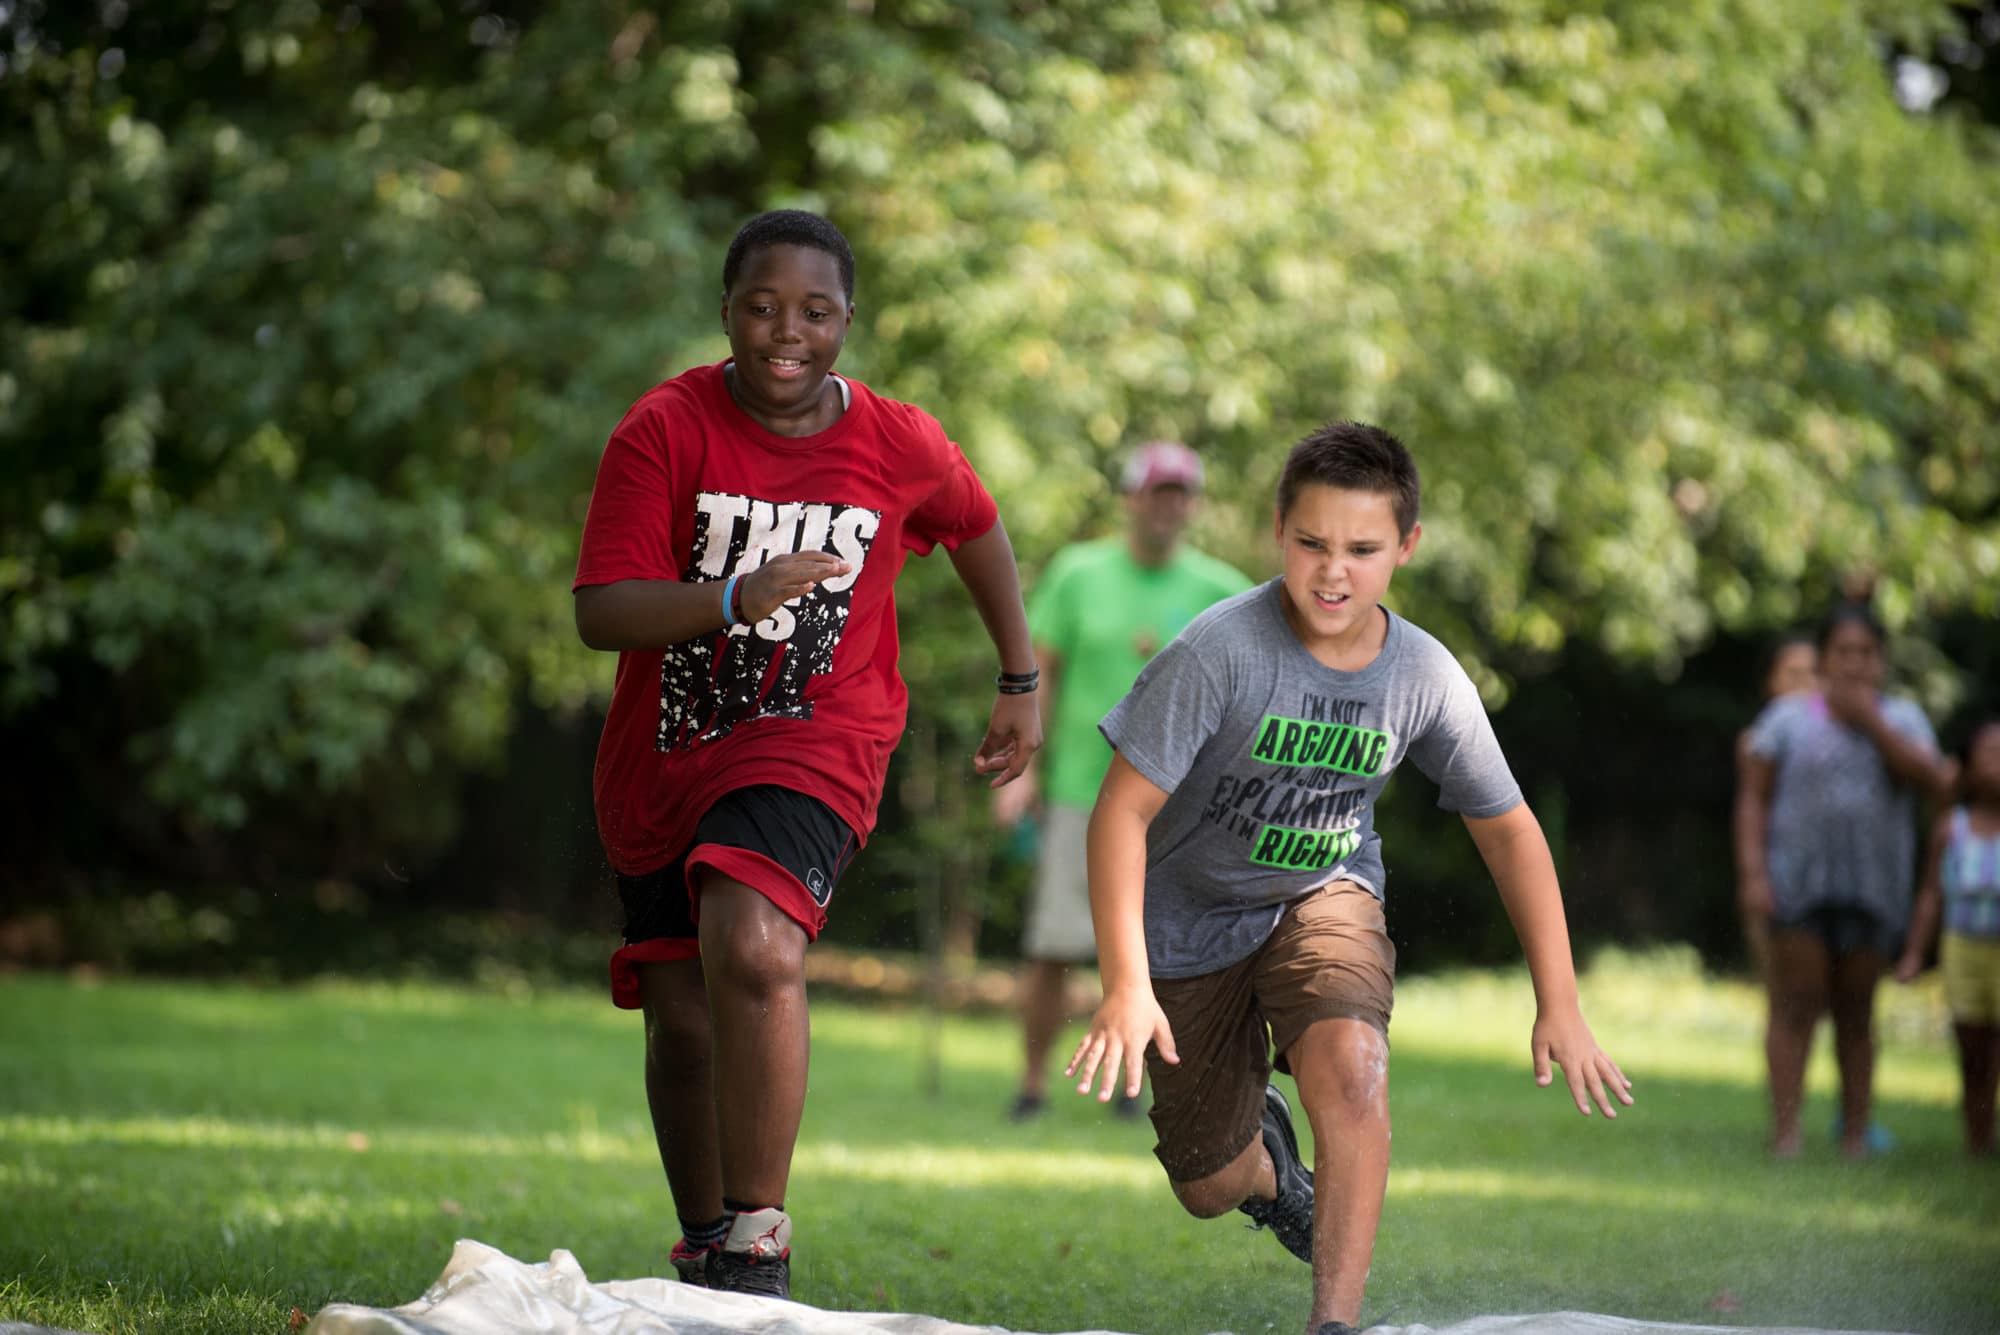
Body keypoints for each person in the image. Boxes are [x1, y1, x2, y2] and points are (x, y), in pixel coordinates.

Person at [1064, 422, 1631, 1335]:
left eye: (1364, 549)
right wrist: (1127, 985)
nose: (1335, 572)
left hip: (1320, 891)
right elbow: (1118, 815)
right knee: (1208, 1184)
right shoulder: (1220, 650)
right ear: (1278, 532)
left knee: (1355, 1066)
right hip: (1186, 916)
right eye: (1313, 543)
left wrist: (1558, 1000)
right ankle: (1274, 1174)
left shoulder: (1425, 675)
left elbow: (1512, 834)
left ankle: (1334, 1323)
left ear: (1406, 547)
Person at [572, 209, 1042, 1300]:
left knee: (755, 942)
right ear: (726, 312)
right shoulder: (662, 428)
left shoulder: (897, 440)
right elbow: (603, 611)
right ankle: (705, 1246)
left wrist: (1018, 676)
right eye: (762, 307)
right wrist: (732, 596)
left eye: (816, 311)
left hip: (819, 735)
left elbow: (974, 524)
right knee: (682, 1010)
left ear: (847, 320)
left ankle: (758, 1240)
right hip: (666, 750)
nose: (788, 332)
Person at [995, 440, 1252, 1121]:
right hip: (1083, 789)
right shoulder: (1081, 573)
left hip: (1180, 803)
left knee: (1161, 949)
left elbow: (1242, 702)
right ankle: (1031, 1083)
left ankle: (1136, 1084)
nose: (1169, 507)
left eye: (1181, 494)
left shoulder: (1220, 590)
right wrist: (1024, 770)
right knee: (1054, 945)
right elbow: (1038, 669)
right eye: (1157, 492)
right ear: (1132, 499)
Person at [1734, 603, 1950, 1159]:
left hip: (1873, 887)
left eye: (1866, 653)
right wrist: (1754, 873)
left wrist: (1870, 722)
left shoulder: (1903, 720)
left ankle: (1854, 1135)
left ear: (1881, 661)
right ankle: (1786, 1135)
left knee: (1857, 1013)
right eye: (1843, 652)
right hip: (1797, 884)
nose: (1854, 663)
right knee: (1795, 1005)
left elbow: (1936, 782)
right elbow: (1752, 799)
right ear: (1824, 658)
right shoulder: (1787, 720)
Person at [1896, 716, 2000, 1156]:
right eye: (1991, 754)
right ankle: (1977, 1141)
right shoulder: (1950, 829)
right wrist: (1915, 954)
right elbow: (1930, 896)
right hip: (1962, 948)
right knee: (1973, 1048)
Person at [1734, 634, 1819, 975]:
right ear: (1770, 682)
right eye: (1792, 674)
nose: (1804, 685)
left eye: (1812, 674)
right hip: (1777, 881)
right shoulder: (1756, 743)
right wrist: (1754, 876)